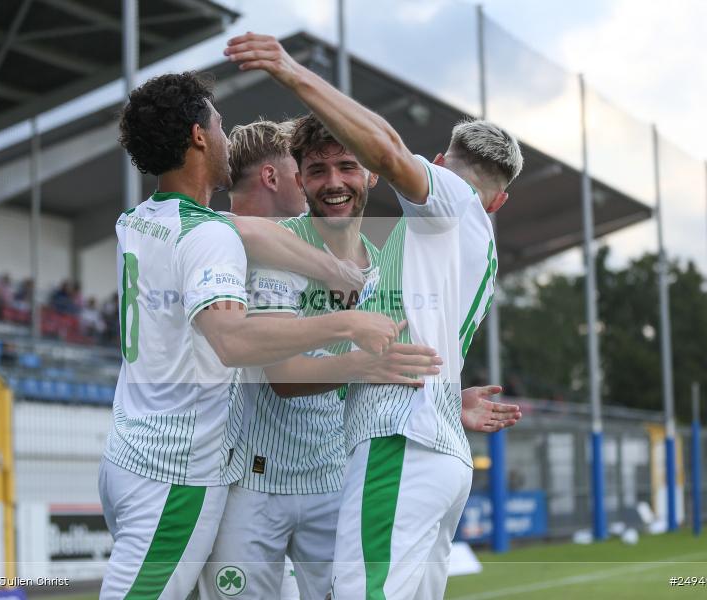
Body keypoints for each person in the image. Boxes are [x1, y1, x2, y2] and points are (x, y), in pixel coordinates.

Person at [226, 33, 524, 598]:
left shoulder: (437, 209)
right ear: (499, 201)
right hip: (299, 470)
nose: (335, 181)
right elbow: (293, 371)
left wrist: (291, 70)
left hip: (391, 443)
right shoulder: (413, 256)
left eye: (349, 165)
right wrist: (443, 393)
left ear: (430, 167)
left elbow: (387, 149)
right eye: (317, 170)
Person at [98, 71, 402, 600]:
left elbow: (243, 229)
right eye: (218, 124)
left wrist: (333, 271)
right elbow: (233, 342)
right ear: (198, 135)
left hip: (127, 454)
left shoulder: (138, 219)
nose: (226, 135)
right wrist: (348, 323)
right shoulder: (209, 236)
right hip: (176, 469)